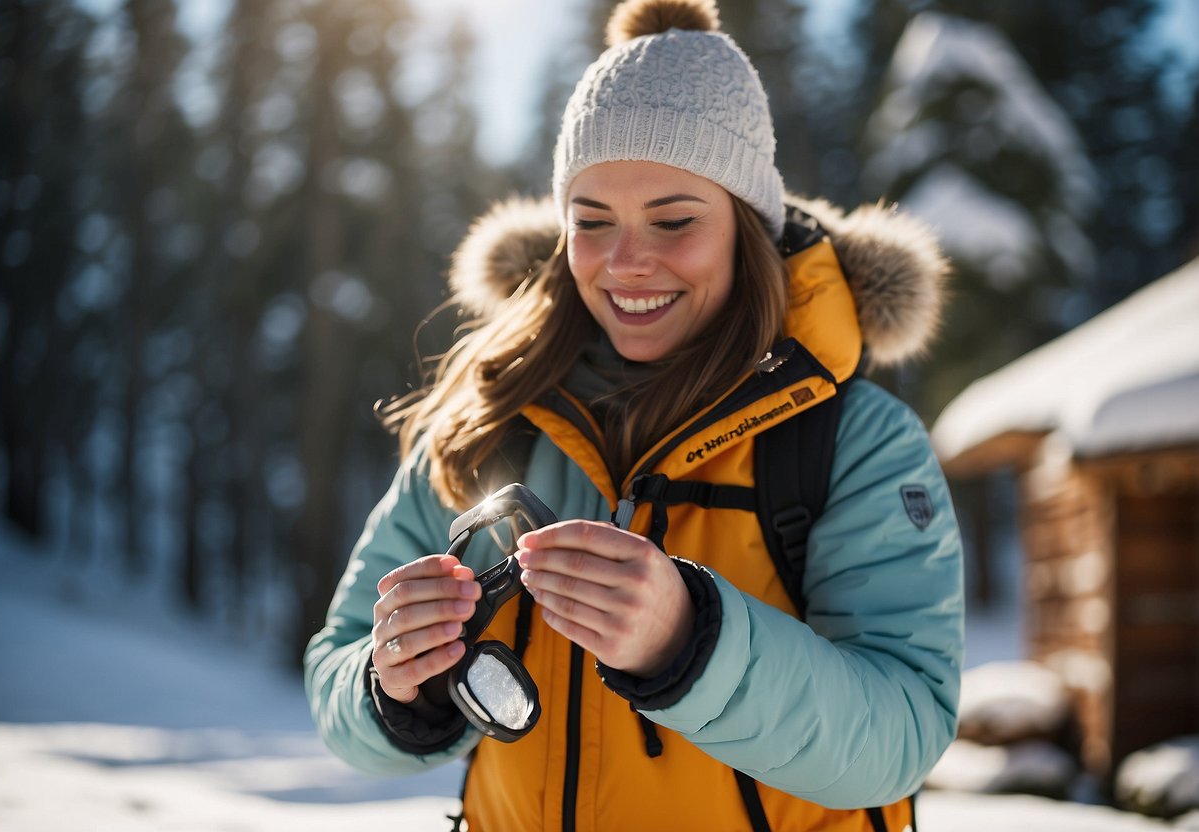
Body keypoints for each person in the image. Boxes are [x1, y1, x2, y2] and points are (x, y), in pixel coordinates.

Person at [305, 0, 963, 829]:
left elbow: (902, 734)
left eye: (674, 220)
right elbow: (336, 671)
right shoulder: (487, 419)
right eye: (591, 221)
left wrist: (694, 642)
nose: (625, 263)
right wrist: (390, 682)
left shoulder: (852, 440)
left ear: (745, 229)